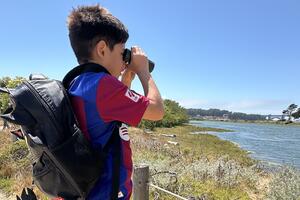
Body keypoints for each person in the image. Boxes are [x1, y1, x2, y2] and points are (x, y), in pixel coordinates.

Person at [66, 4, 164, 200]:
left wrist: (126, 79)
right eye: (122, 53)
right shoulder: (104, 85)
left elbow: (109, 118)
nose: (124, 60)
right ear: (102, 49)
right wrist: (143, 70)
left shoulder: (77, 82)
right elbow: (157, 110)